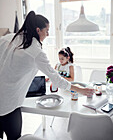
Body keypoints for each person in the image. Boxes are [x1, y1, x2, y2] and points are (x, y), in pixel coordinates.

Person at [0, 11, 94, 140]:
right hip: (8, 104)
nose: (48, 34)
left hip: (5, 100)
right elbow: (57, 80)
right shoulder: (35, 52)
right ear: (38, 30)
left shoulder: (7, 38)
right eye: (47, 30)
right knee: (15, 138)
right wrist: (81, 90)